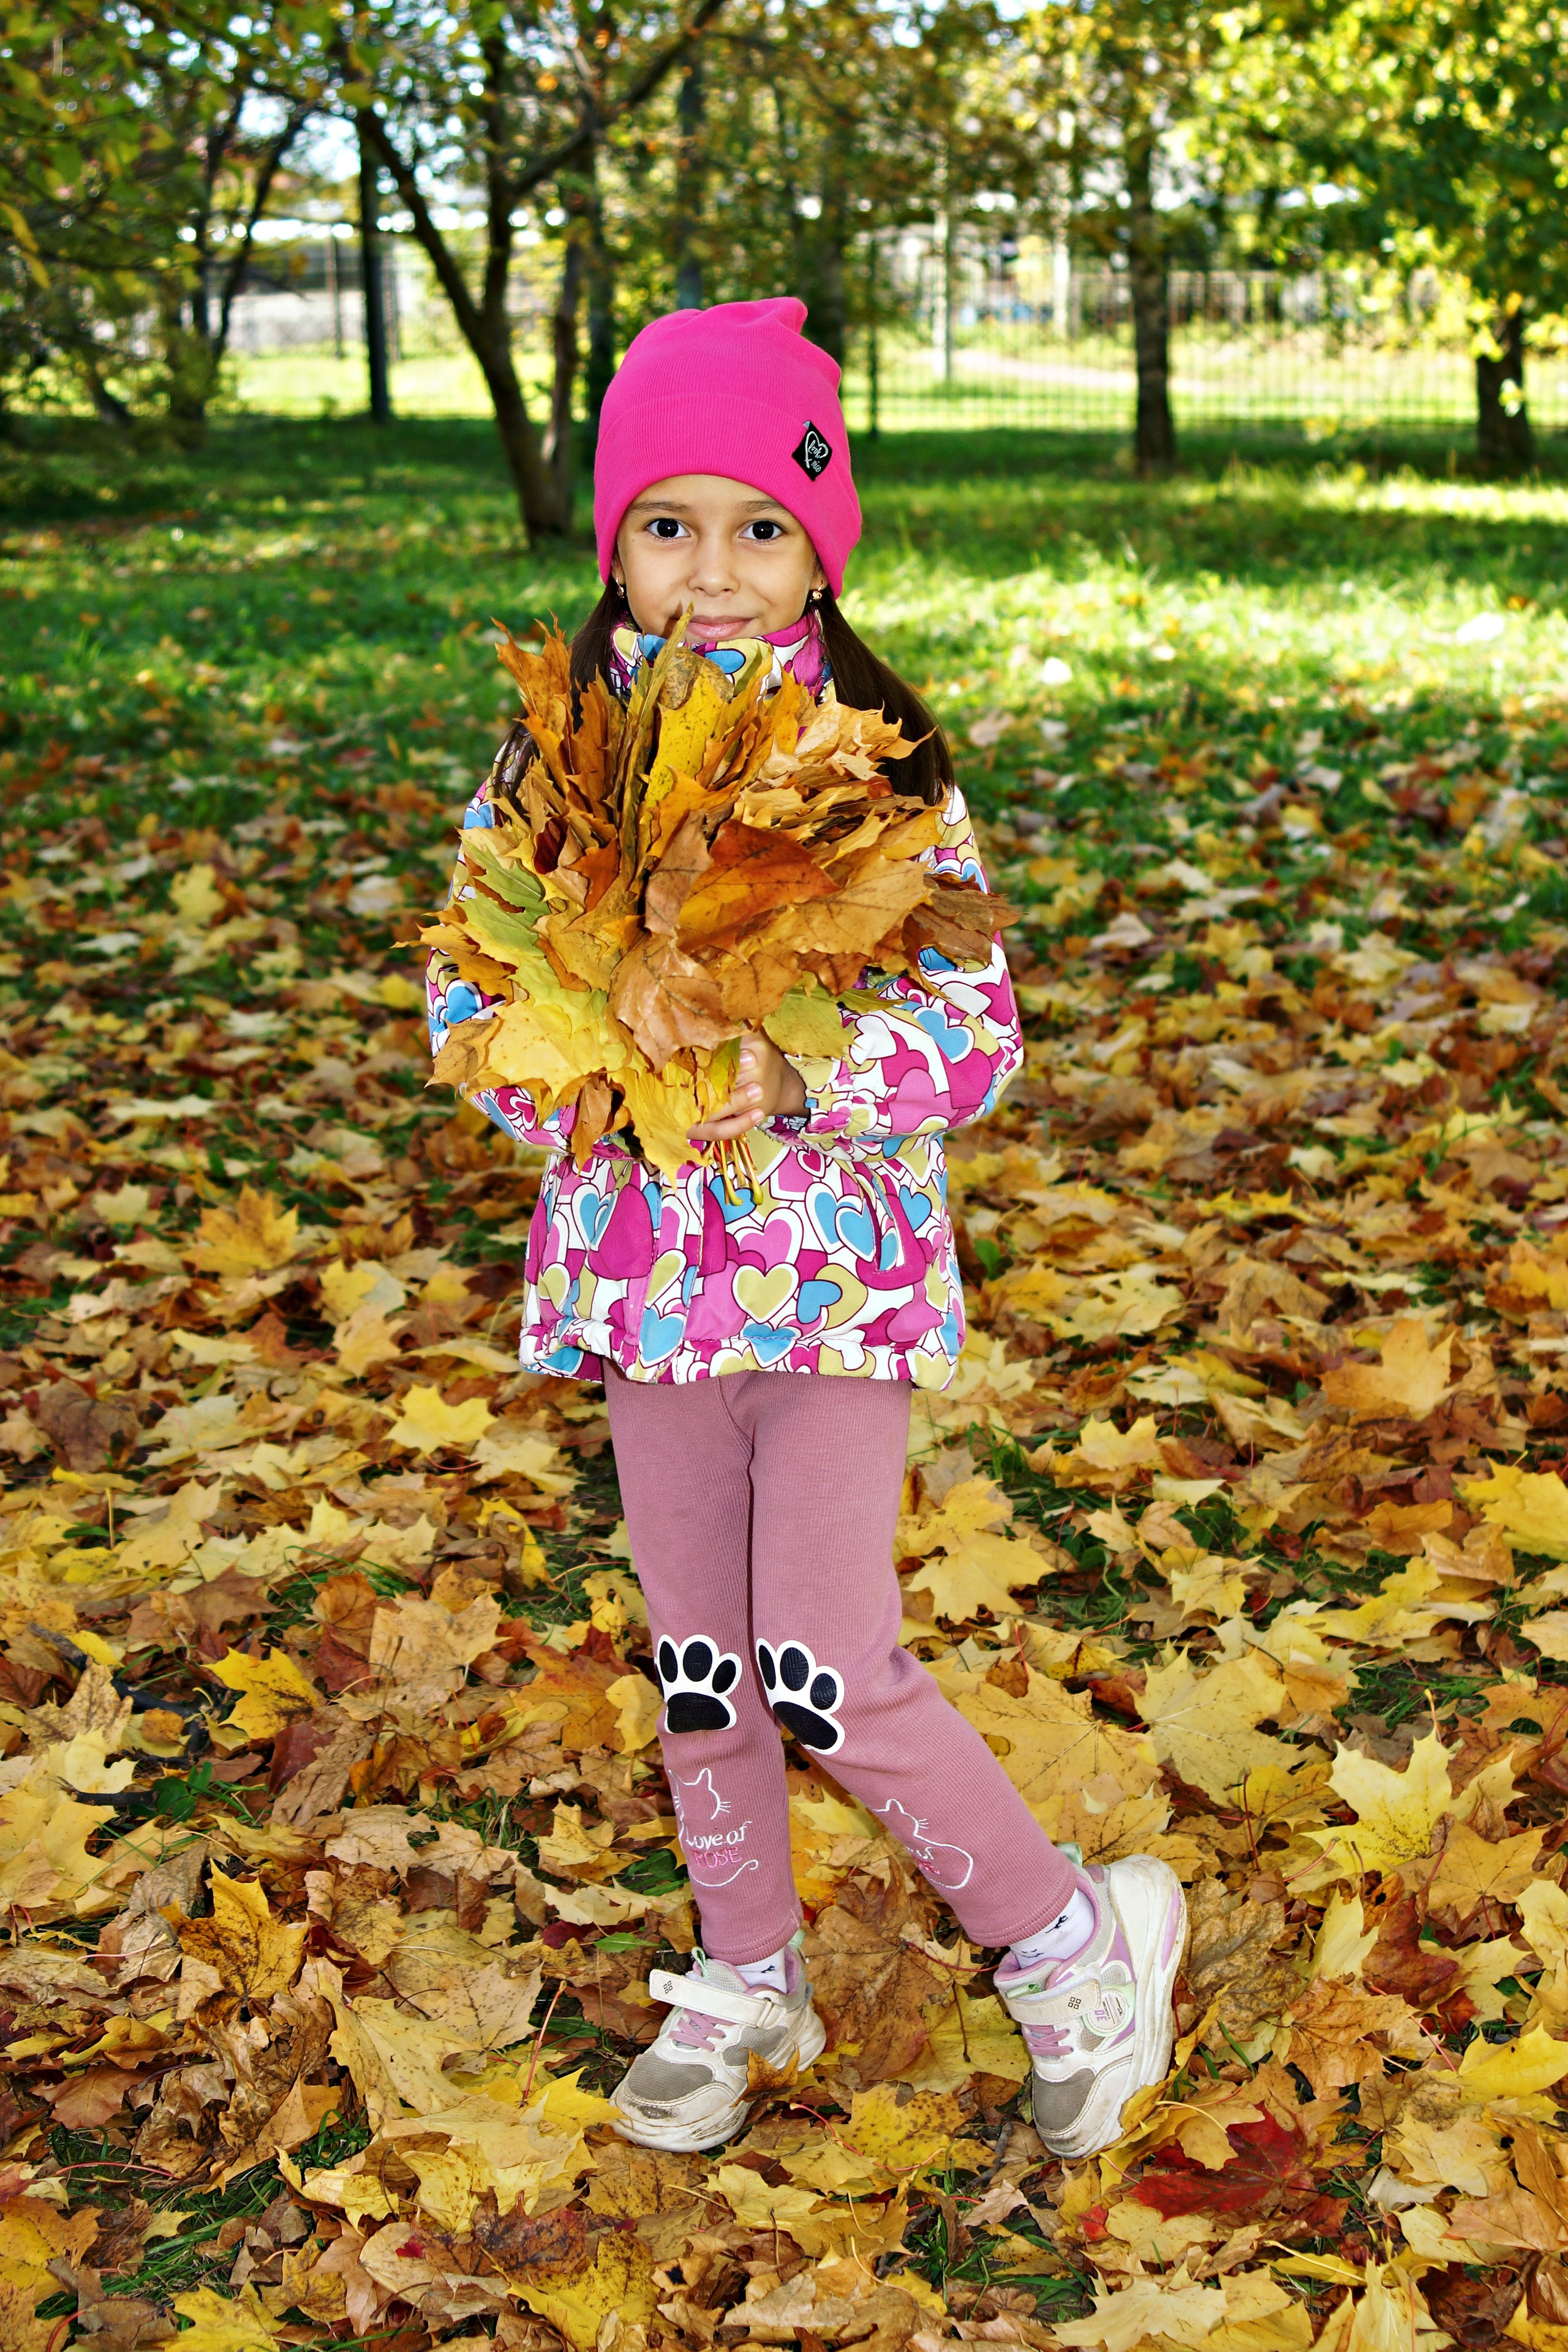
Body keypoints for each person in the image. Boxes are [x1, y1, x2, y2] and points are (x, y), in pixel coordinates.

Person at [426, 297, 1185, 2162]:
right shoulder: (557, 768)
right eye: (667, 525)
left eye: (760, 525)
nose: (712, 569)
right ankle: (749, 1968)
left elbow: (972, 1031)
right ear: (611, 542)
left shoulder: (878, 771)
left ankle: (1072, 1942)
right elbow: (473, 1003)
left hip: (828, 1283)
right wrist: (588, 1069)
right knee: (701, 1662)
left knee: (823, 1663)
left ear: (821, 545)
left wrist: (793, 1073)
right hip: (642, 1288)